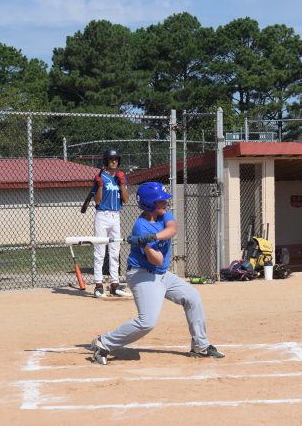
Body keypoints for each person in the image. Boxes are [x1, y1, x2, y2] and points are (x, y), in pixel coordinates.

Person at [90, 182, 224, 364]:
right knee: (147, 322)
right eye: (161, 201)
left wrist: (153, 238)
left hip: (161, 274)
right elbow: (157, 259)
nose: (165, 204)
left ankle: (200, 346)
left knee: (192, 297)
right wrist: (144, 244)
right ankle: (103, 343)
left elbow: (172, 229)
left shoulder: (163, 215)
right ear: (150, 204)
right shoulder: (140, 227)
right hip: (142, 275)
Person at [92, 149, 130, 298]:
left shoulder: (121, 177)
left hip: (116, 216)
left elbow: (126, 200)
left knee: (115, 251)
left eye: (116, 159)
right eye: (111, 159)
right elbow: (98, 201)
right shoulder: (101, 177)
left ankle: (114, 284)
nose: (114, 161)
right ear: (106, 161)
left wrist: (121, 183)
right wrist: (100, 185)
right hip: (102, 215)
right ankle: (98, 285)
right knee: (100, 251)